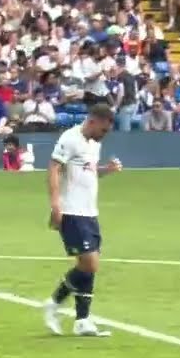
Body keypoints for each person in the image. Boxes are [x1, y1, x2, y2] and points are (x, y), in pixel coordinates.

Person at [42, 103, 123, 337]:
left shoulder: (93, 144)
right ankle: (54, 303)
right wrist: (56, 204)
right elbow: (54, 168)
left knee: (90, 265)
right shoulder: (70, 138)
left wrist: (107, 170)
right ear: (93, 121)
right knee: (90, 263)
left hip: (89, 212)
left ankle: (82, 320)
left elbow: (89, 171)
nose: (104, 135)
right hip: (72, 211)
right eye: (104, 130)